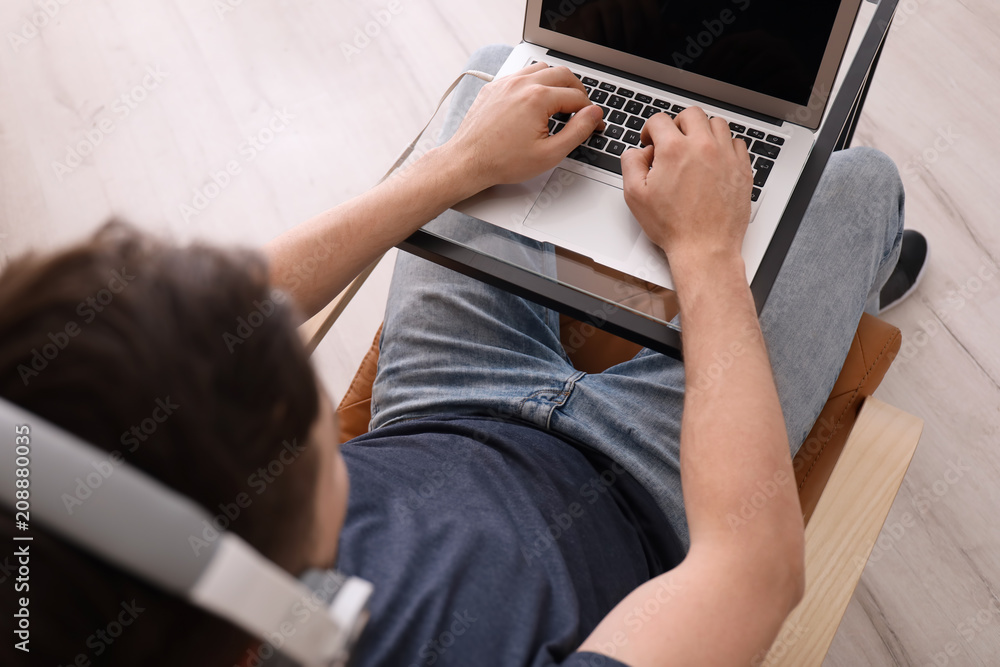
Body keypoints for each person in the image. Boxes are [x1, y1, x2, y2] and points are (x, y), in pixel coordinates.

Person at [0, 45, 924, 666]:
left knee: (503, 77)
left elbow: (229, 318)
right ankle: (863, 270)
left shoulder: (78, 591)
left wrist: (459, 167)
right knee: (854, 190)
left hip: (438, 409)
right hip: (647, 499)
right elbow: (755, 567)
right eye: (285, 429)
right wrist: (710, 254)